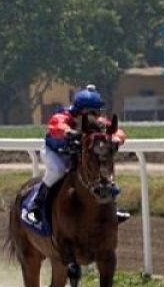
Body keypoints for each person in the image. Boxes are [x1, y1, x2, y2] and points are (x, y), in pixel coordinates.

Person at [23, 85, 129, 227]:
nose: (95, 117)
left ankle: (112, 208)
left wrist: (116, 139)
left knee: (101, 173)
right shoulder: (63, 116)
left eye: (97, 112)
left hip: (75, 155)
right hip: (55, 152)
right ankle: (35, 206)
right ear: (79, 112)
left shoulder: (98, 122)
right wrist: (68, 132)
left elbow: (118, 132)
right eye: (91, 113)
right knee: (57, 170)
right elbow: (56, 125)